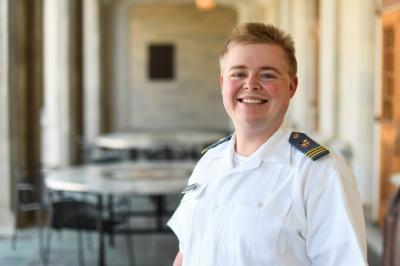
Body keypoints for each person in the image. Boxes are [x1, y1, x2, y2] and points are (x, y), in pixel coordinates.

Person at [167, 22, 367, 266]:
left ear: (292, 86)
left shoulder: (321, 174)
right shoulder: (210, 161)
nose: (251, 84)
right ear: (222, 84)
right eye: (238, 74)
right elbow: (187, 252)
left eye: (268, 74)